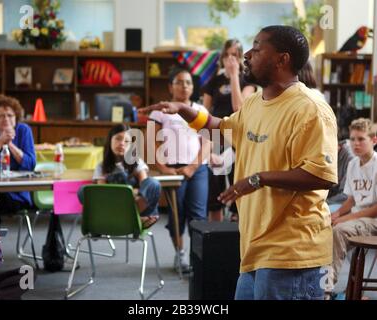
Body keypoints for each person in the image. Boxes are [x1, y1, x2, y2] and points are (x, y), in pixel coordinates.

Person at [144, 25, 338, 299]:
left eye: (257, 48)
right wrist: (185, 110)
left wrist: (259, 178)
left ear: (282, 59)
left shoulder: (310, 109)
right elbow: (220, 128)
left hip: (293, 253)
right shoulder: (255, 103)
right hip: (254, 251)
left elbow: (322, 175)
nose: (247, 54)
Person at [148, 67, 210, 273]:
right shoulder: (159, 112)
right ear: (170, 86)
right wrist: (164, 168)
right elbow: (151, 143)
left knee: (198, 215)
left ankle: (197, 257)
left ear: (193, 87)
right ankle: (180, 255)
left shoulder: (200, 111)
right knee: (177, 215)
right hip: (172, 171)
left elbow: (208, 143)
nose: (184, 86)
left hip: (197, 170)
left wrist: (193, 166)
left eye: (188, 82)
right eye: (180, 82)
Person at [202, 38, 256, 222]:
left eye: (234, 55)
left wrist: (234, 76)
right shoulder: (214, 81)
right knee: (215, 195)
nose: (230, 59)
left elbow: (238, 108)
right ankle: (215, 240)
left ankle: (236, 239)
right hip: (216, 139)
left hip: (239, 141)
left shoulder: (248, 81)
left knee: (238, 192)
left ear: (241, 57)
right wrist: (206, 146)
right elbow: (205, 114)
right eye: (227, 55)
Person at [326, 118, 377, 298]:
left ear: (374, 140)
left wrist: (344, 218)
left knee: (339, 230)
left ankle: (326, 288)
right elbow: (351, 199)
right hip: (358, 218)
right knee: (323, 223)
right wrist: (336, 213)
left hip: (373, 220)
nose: (356, 143)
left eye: (361, 139)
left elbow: (375, 209)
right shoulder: (353, 164)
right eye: (353, 139)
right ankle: (321, 283)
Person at [0, 95, 36, 226]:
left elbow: (30, 164)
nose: (6, 119)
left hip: (16, 194)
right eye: (0, 116)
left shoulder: (24, 131)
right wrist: (0, 141)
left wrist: (10, 144)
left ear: (16, 117)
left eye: (10, 115)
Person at [92, 124, 161, 229]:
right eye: (118, 139)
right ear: (110, 140)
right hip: (115, 206)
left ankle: (137, 215)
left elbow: (145, 185)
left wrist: (135, 194)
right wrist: (129, 192)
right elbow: (103, 192)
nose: (121, 143)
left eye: (126, 141)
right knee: (84, 191)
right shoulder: (101, 167)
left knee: (153, 183)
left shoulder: (136, 162)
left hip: (139, 204)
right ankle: (133, 216)